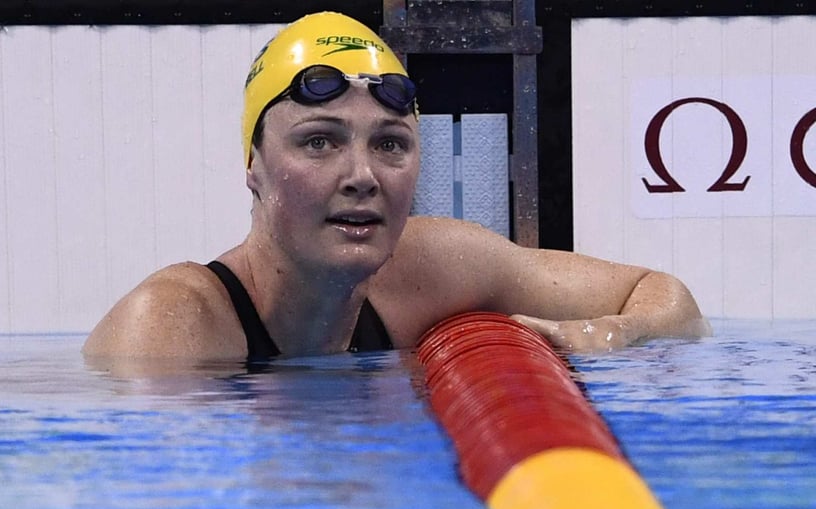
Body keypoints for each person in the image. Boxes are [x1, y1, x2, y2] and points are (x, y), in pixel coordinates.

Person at [83, 11, 710, 363]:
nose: (362, 177)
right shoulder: (169, 329)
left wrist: (606, 333)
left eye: (390, 144)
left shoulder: (435, 265)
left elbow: (666, 298)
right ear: (253, 165)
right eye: (319, 141)